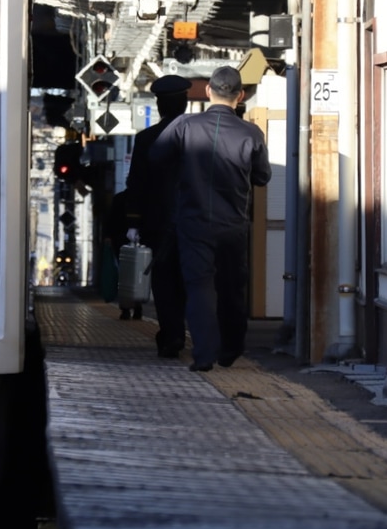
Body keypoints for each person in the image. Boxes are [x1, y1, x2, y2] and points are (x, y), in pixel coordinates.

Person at [150, 65, 271, 372]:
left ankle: (204, 355)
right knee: (232, 286)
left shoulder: (185, 126)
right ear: (240, 96)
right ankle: (231, 348)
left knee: (199, 286)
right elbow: (262, 176)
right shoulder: (251, 133)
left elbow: (156, 158)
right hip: (234, 223)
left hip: (194, 221)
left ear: (207, 91)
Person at [125, 74, 190, 356]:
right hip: (195, 223)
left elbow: (135, 184)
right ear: (186, 103)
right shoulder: (201, 136)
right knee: (191, 279)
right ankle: (186, 332)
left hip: (158, 224)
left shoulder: (146, 139)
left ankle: (172, 334)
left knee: (164, 282)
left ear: (159, 105)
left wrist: (133, 222)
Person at [102, 189, 140, 319]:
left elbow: (110, 219)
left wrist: (108, 236)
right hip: (140, 243)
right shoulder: (145, 197)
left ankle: (125, 309)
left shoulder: (119, 198)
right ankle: (137, 307)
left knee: (123, 276)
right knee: (138, 275)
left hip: (120, 243)